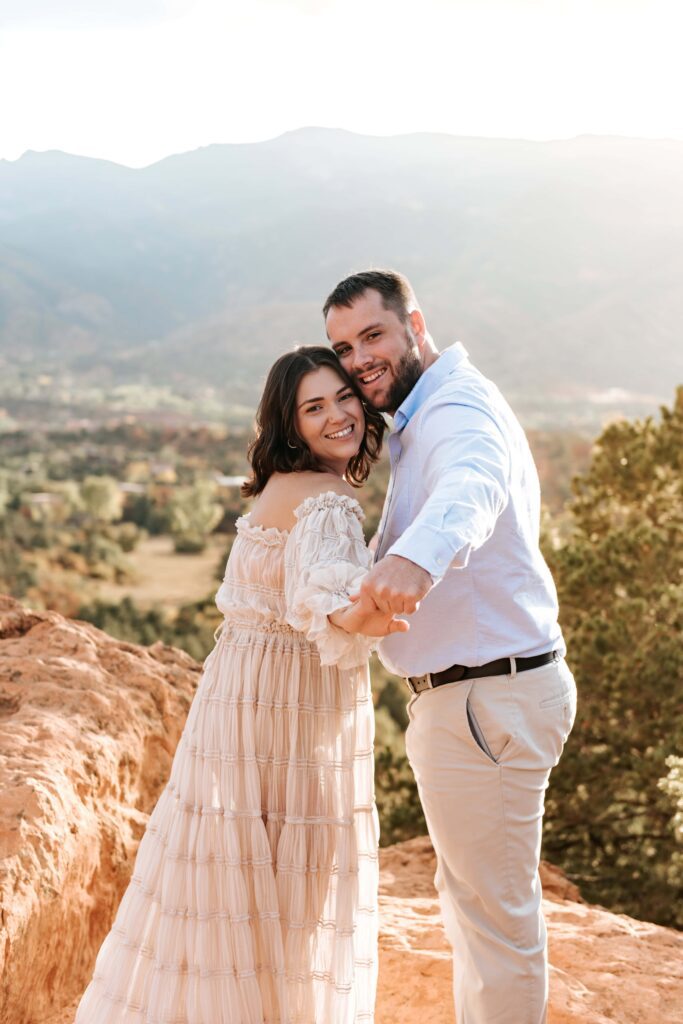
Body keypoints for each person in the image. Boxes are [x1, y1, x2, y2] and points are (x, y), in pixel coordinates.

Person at [74, 346, 407, 1024]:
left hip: (232, 713)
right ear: (290, 424)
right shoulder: (329, 503)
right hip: (290, 723)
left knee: (220, 897)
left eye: (343, 396)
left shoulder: (276, 490)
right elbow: (322, 595)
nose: (338, 414)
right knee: (294, 911)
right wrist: (370, 610)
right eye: (314, 407)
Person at [323, 269, 577, 1024]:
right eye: (343, 346)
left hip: (485, 697)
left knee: (495, 922)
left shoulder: (456, 409)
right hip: (480, 694)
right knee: (473, 908)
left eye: (373, 334)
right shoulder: (421, 415)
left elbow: (474, 484)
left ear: (415, 323)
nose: (359, 357)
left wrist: (415, 560)